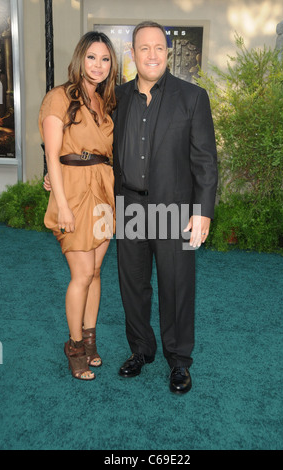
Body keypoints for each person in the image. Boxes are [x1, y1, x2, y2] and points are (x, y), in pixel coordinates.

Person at [112, 21, 218, 394]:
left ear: (168, 53)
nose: (152, 54)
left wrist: (202, 210)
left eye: (159, 47)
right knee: (132, 285)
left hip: (175, 209)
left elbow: (205, 160)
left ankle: (179, 361)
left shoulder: (192, 97)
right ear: (133, 54)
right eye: (144, 48)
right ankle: (140, 350)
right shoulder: (120, 97)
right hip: (129, 206)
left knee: (177, 286)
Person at [39, 31, 117, 381]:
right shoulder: (60, 97)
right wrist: (62, 203)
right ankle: (74, 346)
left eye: (104, 59)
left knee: (97, 273)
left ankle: (90, 340)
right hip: (72, 190)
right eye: (91, 57)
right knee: (81, 273)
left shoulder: (104, 101)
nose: (98, 65)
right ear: (79, 58)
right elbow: (52, 156)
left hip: (103, 190)